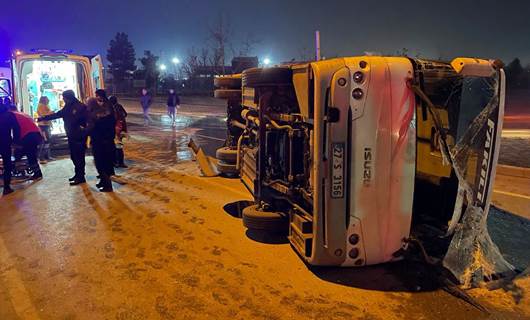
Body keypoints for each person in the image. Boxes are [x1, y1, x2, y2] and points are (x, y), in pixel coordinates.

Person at [38, 90, 88, 185]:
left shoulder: (80, 107)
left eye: (64, 98)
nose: (63, 99)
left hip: (79, 136)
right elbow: (58, 114)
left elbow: (85, 121)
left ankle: (81, 176)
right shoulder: (68, 107)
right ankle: (78, 174)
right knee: (74, 156)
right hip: (72, 135)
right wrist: (43, 118)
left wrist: (83, 130)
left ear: (68, 98)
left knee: (79, 156)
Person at [86, 90, 116, 192]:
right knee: (103, 162)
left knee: (101, 163)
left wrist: (84, 132)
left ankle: (107, 185)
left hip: (101, 142)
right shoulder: (102, 111)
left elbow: (93, 128)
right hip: (103, 141)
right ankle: (104, 182)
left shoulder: (97, 115)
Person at [11, 109, 43, 180]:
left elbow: (16, 130)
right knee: (31, 155)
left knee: (25, 154)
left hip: (29, 136)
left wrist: (15, 142)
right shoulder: (21, 114)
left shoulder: (13, 115)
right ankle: (37, 173)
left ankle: (14, 169)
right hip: (36, 134)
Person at [0, 103, 20, 195]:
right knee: (7, 164)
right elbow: (16, 128)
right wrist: (16, 141)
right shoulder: (9, 115)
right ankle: (6, 187)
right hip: (5, 141)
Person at [109, 96, 128, 168]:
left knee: (115, 147)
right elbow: (125, 114)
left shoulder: (111, 108)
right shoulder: (119, 106)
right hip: (121, 130)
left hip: (115, 130)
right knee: (119, 147)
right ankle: (120, 162)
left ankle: (116, 162)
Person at [37, 96, 54, 162]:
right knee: (45, 141)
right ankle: (42, 157)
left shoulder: (45, 105)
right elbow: (42, 115)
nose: (48, 100)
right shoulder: (41, 106)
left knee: (47, 141)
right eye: (47, 99)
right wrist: (50, 113)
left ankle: (47, 156)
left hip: (46, 124)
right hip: (43, 125)